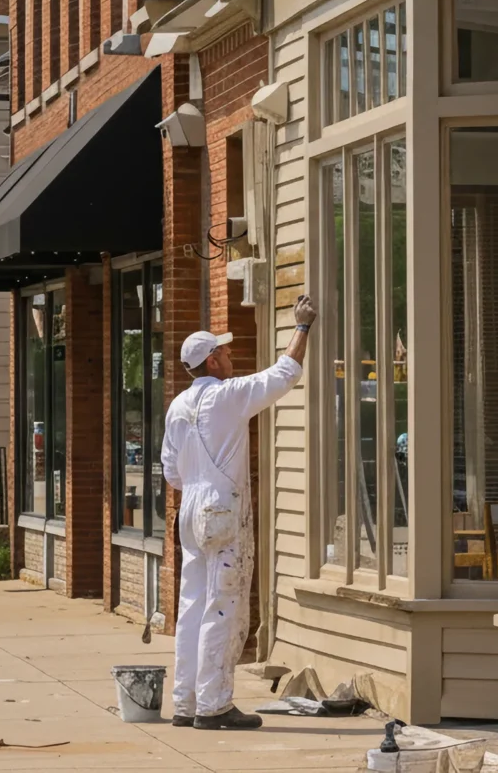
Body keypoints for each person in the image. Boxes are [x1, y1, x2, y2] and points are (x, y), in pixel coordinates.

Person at [162, 294, 318, 729]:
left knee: (192, 607)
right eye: (226, 352)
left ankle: (186, 702)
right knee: (222, 608)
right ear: (212, 361)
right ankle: (213, 705)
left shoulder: (177, 407)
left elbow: (171, 472)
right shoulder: (227, 397)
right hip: (221, 511)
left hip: (190, 510)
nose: (231, 357)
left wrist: (198, 482)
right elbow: (282, 375)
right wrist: (302, 327)